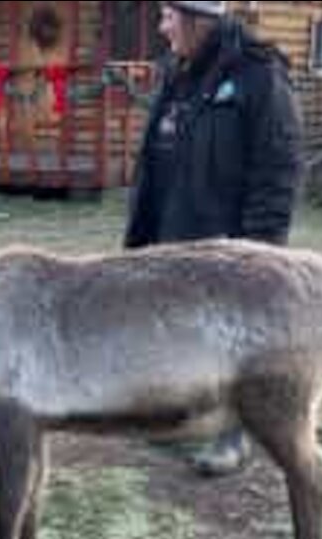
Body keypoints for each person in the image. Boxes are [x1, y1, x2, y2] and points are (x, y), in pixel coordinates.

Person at [125, 0, 304, 477]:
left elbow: (278, 172)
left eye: (168, 16)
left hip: (227, 244)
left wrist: (260, 252)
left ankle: (235, 436)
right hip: (169, 232)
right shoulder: (177, 72)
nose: (162, 27)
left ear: (197, 17)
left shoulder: (259, 75)